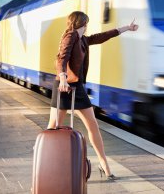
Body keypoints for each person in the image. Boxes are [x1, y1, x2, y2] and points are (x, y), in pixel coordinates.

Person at [47, 11, 138, 180]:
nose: (87, 26)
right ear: (81, 23)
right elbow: (62, 59)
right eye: (86, 23)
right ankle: (45, 165)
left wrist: (126, 28)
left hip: (77, 88)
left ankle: (104, 165)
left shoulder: (83, 39)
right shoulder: (70, 36)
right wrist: (63, 78)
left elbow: (103, 36)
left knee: (92, 125)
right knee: (53, 127)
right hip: (63, 86)